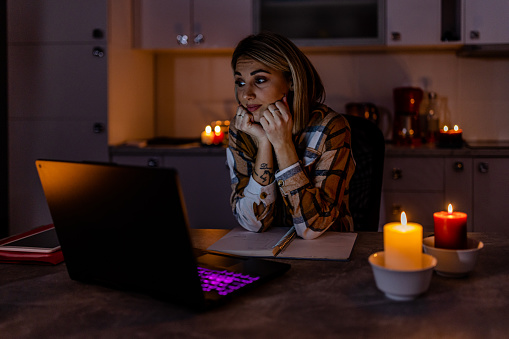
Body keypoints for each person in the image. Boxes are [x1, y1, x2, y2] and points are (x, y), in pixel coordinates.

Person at [227, 32, 355, 240]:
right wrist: (264, 142)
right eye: (240, 82)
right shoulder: (242, 129)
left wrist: (283, 143)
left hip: (327, 251)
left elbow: (313, 227)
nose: (246, 94)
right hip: (265, 249)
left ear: (291, 81)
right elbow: (253, 222)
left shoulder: (330, 128)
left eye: (259, 80)